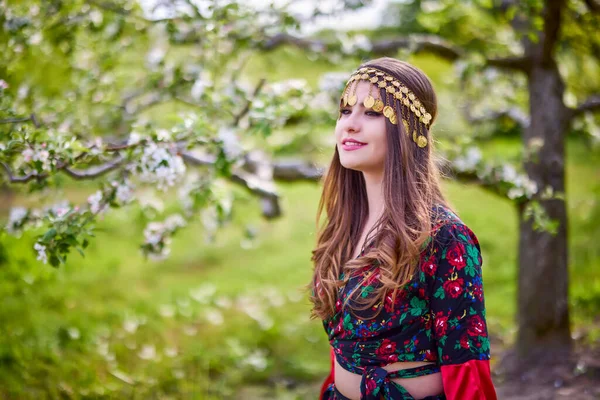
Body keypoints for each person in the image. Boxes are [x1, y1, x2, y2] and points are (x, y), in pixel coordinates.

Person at [308, 57, 497, 400]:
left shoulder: (443, 238)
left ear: (408, 128)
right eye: (345, 111)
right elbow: (343, 344)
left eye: (372, 112)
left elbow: (466, 367)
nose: (349, 125)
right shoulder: (343, 227)